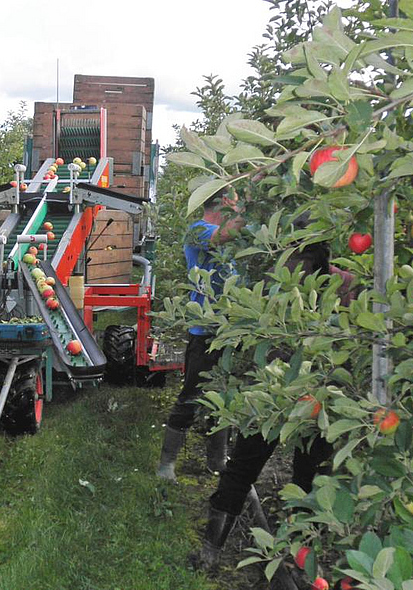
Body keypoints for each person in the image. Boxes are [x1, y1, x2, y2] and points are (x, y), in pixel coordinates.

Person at [189, 233, 342, 571]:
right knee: (298, 476)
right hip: (300, 397)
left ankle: (217, 553)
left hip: (292, 397)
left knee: (265, 470)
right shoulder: (329, 284)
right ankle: (288, 559)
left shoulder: (297, 282)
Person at [156, 189, 246, 480]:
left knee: (227, 397)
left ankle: (217, 460)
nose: (238, 207)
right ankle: (166, 464)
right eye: (233, 203)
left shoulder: (229, 235)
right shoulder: (198, 231)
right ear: (220, 204)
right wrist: (254, 202)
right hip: (205, 331)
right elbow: (226, 234)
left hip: (233, 329)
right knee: (193, 396)